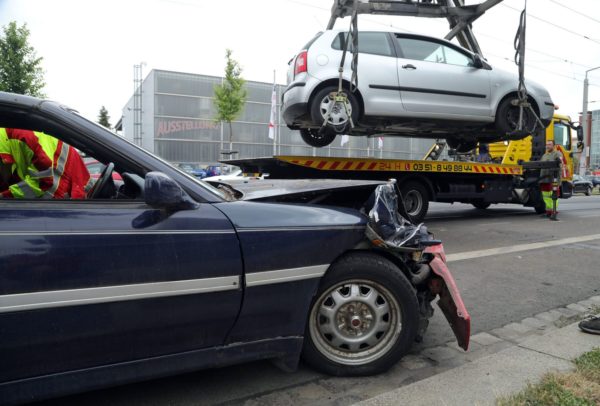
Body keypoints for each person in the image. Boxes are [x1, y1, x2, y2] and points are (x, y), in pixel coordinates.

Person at [0, 128, 92, 199]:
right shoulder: (10, 143)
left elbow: (45, 182)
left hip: (72, 191)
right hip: (65, 193)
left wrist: (4, 195)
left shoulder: (25, 138)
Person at [539, 140, 563, 219]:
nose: (547, 146)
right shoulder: (544, 155)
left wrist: (559, 161)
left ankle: (554, 212)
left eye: (549, 144)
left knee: (554, 195)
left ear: (553, 146)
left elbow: (560, 162)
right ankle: (548, 212)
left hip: (553, 179)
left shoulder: (557, 153)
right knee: (545, 196)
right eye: (547, 144)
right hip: (544, 179)